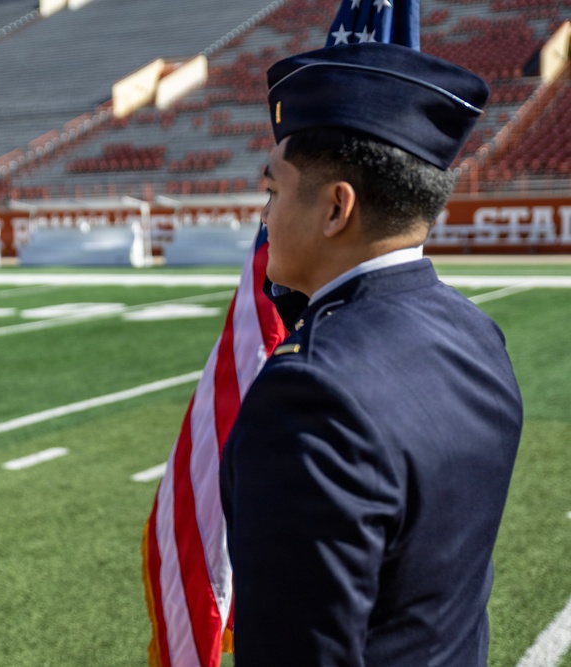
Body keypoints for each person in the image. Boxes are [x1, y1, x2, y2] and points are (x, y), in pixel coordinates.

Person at [219, 43, 523, 666]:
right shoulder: (475, 332)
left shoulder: (311, 392)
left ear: (336, 208)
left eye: (273, 191)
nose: (265, 217)